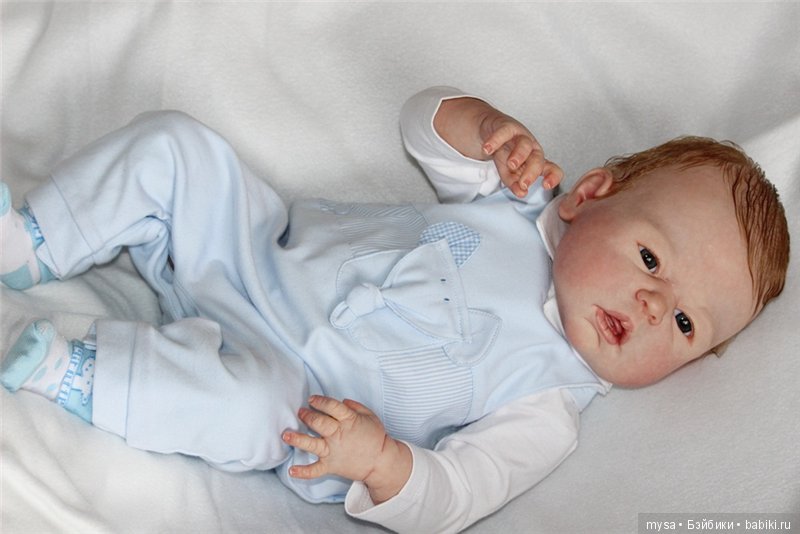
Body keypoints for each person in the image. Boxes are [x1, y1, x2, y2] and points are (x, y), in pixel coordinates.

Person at [0, 86, 790, 533]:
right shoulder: (522, 202)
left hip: (299, 393)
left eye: (685, 325)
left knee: (248, 413)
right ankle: (32, 242)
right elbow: (424, 127)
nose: (651, 308)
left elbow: (458, 492)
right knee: (180, 147)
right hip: (250, 246)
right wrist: (486, 128)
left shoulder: (547, 406)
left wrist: (381, 463)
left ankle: (79, 372)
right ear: (590, 196)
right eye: (651, 260)